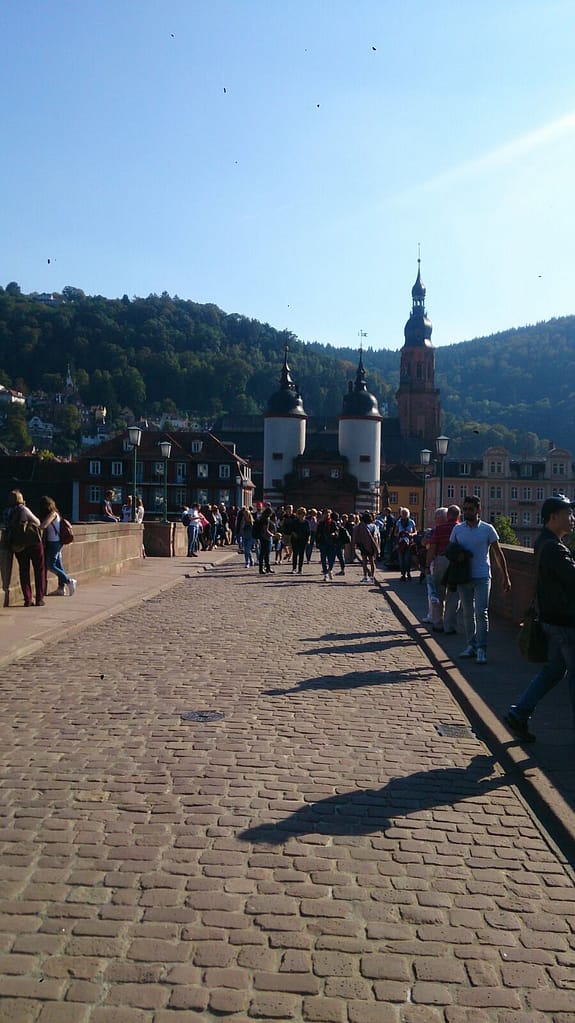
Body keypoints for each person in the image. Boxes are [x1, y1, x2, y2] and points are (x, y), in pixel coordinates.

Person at [505, 495, 575, 742]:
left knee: (553, 670)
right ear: (553, 517)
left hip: (550, 619)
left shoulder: (543, 542)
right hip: (565, 622)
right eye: (568, 513)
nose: (572, 518)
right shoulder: (555, 548)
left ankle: (519, 713)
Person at [450, 494, 511, 664]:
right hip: (464, 577)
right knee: (467, 613)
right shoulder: (458, 529)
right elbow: (451, 551)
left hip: (483, 576)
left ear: (478, 510)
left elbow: (498, 553)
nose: (467, 512)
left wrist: (505, 576)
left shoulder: (487, 529)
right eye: (465, 509)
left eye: (470, 509)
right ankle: (471, 645)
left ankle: (482, 648)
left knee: (481, 613)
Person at [6, 490, 46, 607]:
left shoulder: (7, 511)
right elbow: (38, 522)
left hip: (19, 545)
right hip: (33, 544)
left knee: (24, 572)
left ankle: (28, 599)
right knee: (39, 570)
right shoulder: (23, 509)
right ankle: (39, 598)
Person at [425, 505, 460, 633]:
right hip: (456, 563)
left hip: (441, 560)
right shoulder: (461, 528)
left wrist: (427, 565)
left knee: (438, 592)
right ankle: (449, 625)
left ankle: (437, 623)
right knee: (453, 594)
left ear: (447, 515)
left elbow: (432, 548)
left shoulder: (440, 528)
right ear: (459, 516)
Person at [39, 495, 77, 596]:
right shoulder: (56, 513)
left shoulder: (52, 514)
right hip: (57, 542)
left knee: (50, 565)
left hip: (54, 542)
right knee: (59, 565)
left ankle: (69, 581)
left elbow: (43, 525)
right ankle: (61, 588)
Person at [353, 511, 380, 583]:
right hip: (372, 545)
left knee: (364, 561)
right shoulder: (374, 526)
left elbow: (356, 535)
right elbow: (377, 536)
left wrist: (355, 544)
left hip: (363, 545)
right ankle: (372, 577)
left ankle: (365, 576)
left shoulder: (360, 526)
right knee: (372, 561)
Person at [316, 509, 338, 581]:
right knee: (323, 559)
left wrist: (334, 534)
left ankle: (330, 570)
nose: (327, 515)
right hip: (323, 543)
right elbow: (317, 534)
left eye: (328, 513)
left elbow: (337, 531)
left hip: (332, 543)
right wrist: (317, 542)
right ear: (323, 515)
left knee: (331, 559)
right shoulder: (321, 523)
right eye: (325, 513)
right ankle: (325, 573)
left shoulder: (333, 523)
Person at [394, 507, 416, 580]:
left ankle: (408, 572)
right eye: (403, 513)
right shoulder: (399, 522)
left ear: (408, 514)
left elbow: (415, 532)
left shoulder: (411, 522)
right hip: (401, 543)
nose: (404, 515)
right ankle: (403, 574)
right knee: (401, 559)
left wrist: (411, 534)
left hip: (409, 543)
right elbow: (395, 533)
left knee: (407, 559)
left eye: (405, 514)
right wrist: (400, 534)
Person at [290, 507, 311, 574]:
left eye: (303, 513)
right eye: (300, 513)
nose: (301, 515)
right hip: (295, 540)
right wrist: (294, 534)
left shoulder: (306, 522)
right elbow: (291, 530)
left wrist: (308, 539)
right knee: (295, 554)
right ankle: (294, 568)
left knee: (301, 554)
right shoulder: (295, 521)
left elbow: (308, 532)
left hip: (303, 540)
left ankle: (300, 568)